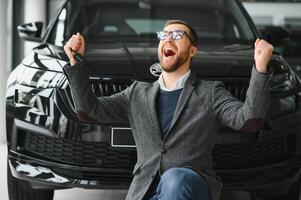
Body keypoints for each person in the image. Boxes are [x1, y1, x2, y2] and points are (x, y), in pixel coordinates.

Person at [63, 20, 273, 200]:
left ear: (193, 50)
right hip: (145, 190)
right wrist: (76, 62)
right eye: (164, 35)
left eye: (177, 35)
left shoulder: (210, 92)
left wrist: (261, 67)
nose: (168, 39)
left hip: (190, 184)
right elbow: (89, 111)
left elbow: (248, 121)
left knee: (174, 179)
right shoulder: (137, 93)